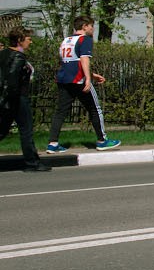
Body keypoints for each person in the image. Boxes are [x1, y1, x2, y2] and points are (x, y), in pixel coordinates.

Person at [47, 16, 120, 152]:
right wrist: (88, 78)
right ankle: (102, 141)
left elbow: (70, 62)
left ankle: (53, 143)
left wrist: (92, 75)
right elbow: (83, 59)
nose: (93, 29)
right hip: (79, 81)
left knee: (60, 112)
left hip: (64, 80)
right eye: (91, 26)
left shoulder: (66, 40)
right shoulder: (85, 39)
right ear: (85, 26)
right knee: (95, 109)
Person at [0, 28, 50, 171]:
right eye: (28, 39)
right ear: (20, 40)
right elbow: (12, 80)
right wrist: (13, 99)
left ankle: (33, 161)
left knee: (2, 130)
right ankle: (32, 163)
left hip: (6, 99)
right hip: (17, 99)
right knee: (26, 130)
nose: (31, 41)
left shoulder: (3, 54)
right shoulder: (18, 57)